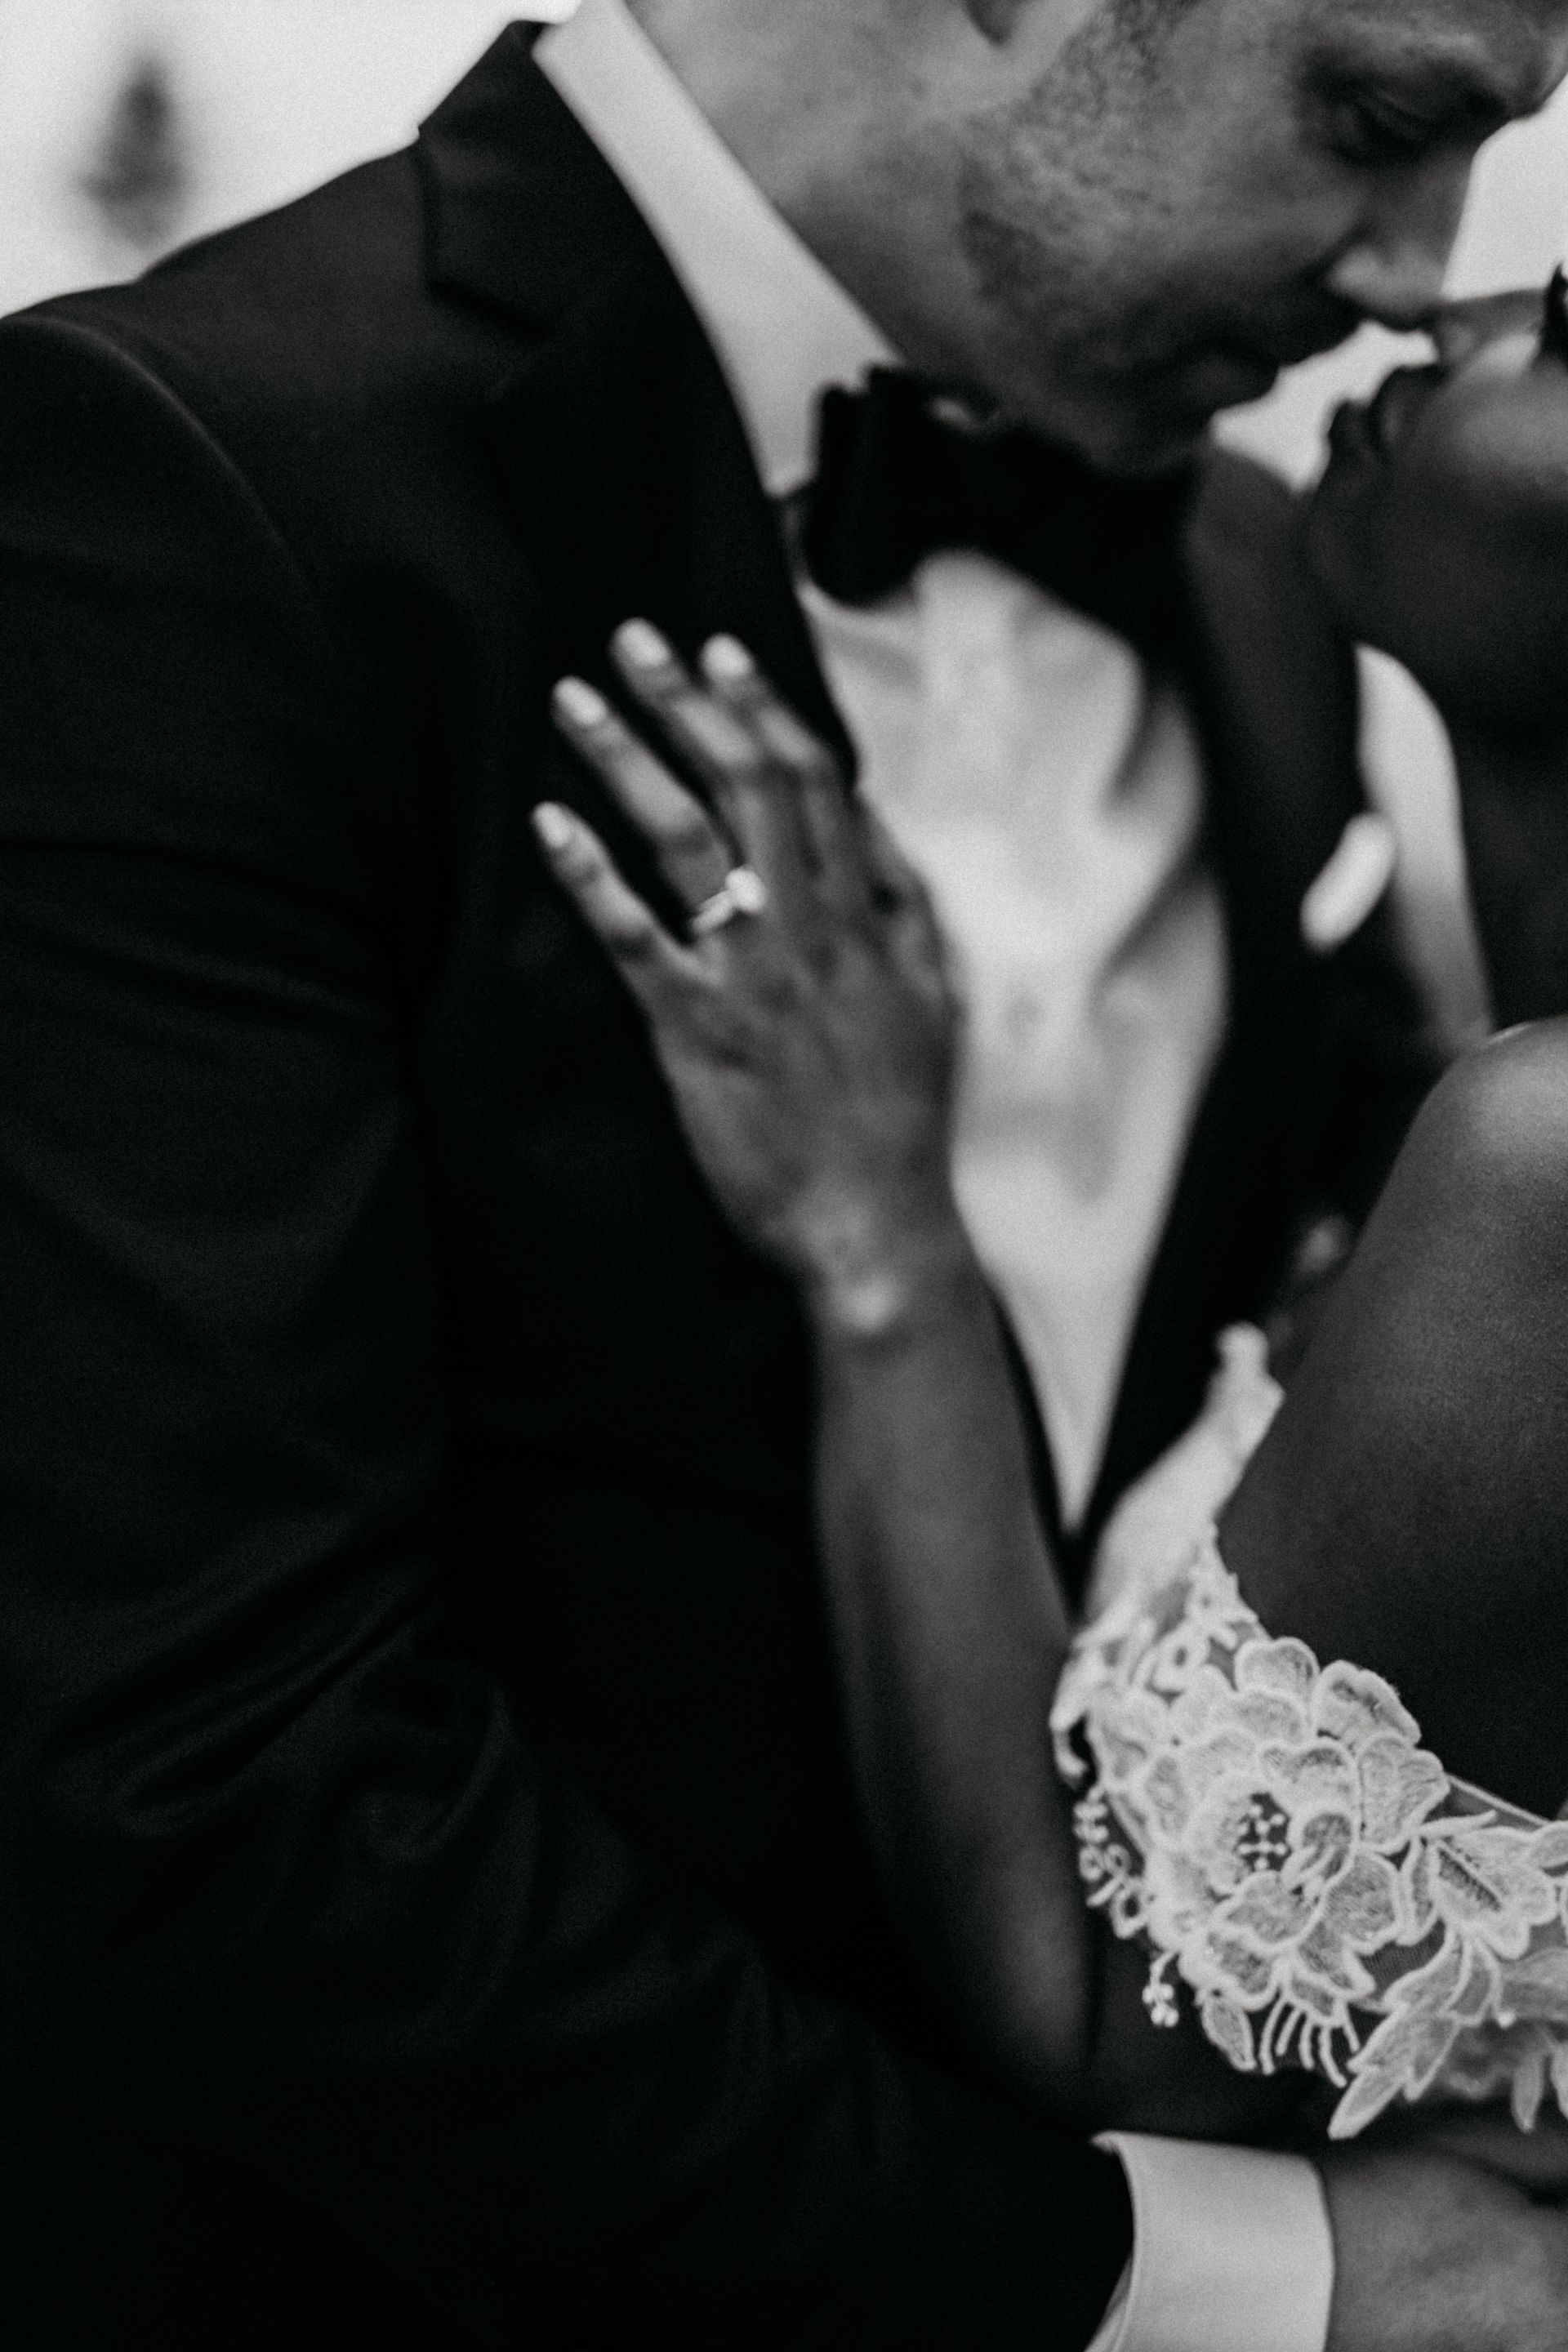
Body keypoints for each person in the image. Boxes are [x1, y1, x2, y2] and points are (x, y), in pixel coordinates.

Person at [2, 0, 1568, 2344]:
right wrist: (1211, 2288)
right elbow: (215, 1782)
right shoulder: (181, 483)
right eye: (1369, 117)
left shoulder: (1270, 594)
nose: (1410, 271)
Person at [534, 249, 1568, 2180]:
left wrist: (884, 1248)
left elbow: (1091, 2016)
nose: (1453, 307)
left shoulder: (1545, 1164)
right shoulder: (1446, 1068)